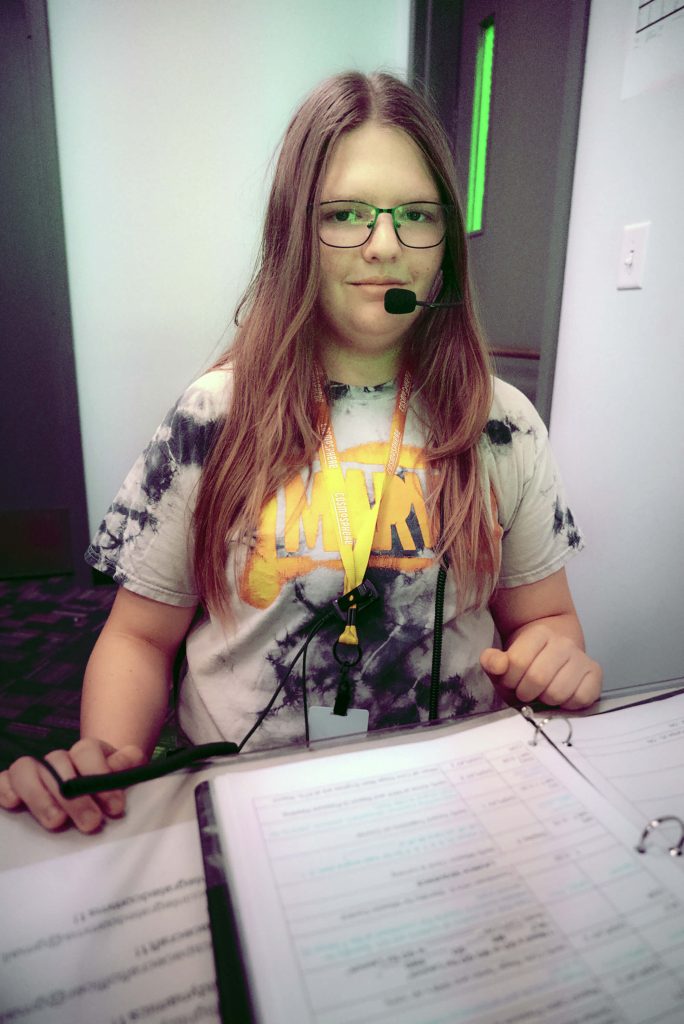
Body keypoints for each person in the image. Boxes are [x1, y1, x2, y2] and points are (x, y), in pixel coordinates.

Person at [0, 71, 602, 834]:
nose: (385, 246)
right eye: (346, 214)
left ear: (446, 242)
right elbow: (139, 638)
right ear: (294, 234)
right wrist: (111, 765)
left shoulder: (502, 424)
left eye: (416, 215)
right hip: (248, 814)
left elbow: (546, 619)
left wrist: (553, 656)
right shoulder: (211, 419)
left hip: (452, 812)